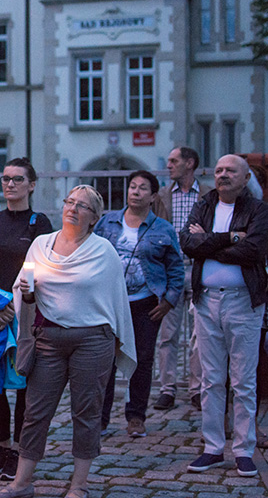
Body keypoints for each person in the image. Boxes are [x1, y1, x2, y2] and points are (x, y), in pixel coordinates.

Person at [0, 185, 136, 498]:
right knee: (36, 412)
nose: (72, 208)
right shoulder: (41, 245)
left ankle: (79, 485)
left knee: (86, 412)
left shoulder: (103, 251)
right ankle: (21, 483)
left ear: (94, 218)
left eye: (82, 206)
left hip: (92, 340)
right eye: (69, 202)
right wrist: (27, 295)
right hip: (48, 339)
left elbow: (115, 299)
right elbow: (26, 291)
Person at [180, 154, 268, 478]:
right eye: (218, 170)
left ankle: (244, 449)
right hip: (206, 303)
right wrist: (229, 238)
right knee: (211, 379)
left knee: (244, 380)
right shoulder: (204, 205)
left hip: (244, 303)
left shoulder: (258, 210)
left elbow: (254, 250)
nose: (223, 174)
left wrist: (208, 242)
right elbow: (188, 243)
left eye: (231, 170)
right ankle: (213, 447)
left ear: (246, 178)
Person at [0, 158, 52, 480]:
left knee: (22, 387)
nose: (10, 185)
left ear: (32, 184)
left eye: (18, 179)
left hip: (23, 313)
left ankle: (19, 450)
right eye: (5, 179)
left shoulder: (39, 223)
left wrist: (12, 308)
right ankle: (2, 446)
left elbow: (42, 269)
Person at [95, 171, 184, 437]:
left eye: (143, 188)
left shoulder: (163, 229)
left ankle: (136, 417)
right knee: (104, 360)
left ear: (153, 196)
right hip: (109, 303)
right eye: (132, 186)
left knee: (142, 360)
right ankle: (100, 419)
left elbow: (175, 268)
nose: (135, 191)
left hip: (145, 303)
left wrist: (169, 300)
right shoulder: (107, 222)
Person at [153, 146, 212, 411]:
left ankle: (197, 389)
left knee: (199, 334)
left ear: (190, 163)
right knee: (168, 334)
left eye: (174, 161)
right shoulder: (163, 195)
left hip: (200, 268)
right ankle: (167, 389)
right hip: (171, 271)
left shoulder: (209, 194)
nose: (169, 165)